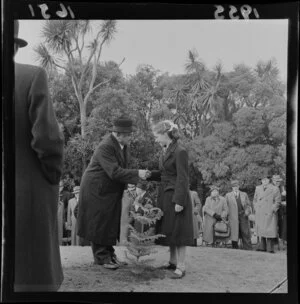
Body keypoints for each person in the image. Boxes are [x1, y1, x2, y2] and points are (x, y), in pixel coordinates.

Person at [14, 20, 64, 292]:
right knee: (30, 272)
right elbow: (47, 140)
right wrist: (51, 177)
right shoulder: (31, 76)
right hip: (25, 192)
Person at [77, 116, 149, 270]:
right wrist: (138, 173)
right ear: (118, 134)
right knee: (100, 222)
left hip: (108, 190)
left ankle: (109, 255)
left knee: (109, 222)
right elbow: (114, 171)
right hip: (96, 189)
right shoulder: (106, 146)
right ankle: (102, 258)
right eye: (128, 134)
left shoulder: (122, 146)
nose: (130, 136)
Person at [147, 120, 194, 279]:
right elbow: (163, 174)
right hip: (165, 195)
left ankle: (181, 266)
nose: (156, 140)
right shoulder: (165, 150)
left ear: (165, 134)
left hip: (176, 196)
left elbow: (183, 177)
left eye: (157, 136)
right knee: (171, 229)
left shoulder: (180, 151)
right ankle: (172, 261)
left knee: (179, 231)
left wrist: (180, 201)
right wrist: (147, 175)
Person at [253, 175, 281, 253]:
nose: (264, 181)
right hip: (260, 212)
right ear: (261, 180)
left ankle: (270, 248)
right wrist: (256, 208)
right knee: (261, 230)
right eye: (263, 179)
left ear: (269, 180)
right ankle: (262, 247)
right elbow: (254, 200)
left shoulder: (275, 188)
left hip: (269, 213)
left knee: (269, 231)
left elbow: (278, 201)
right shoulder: (257, 188)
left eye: (266, 179)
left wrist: (272, 210)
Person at [225, 180, 252, 250]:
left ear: (238, 186)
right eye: (234, 186)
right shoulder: (228, 195)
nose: (235, 188)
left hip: (243, 215)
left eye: (236, 186)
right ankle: (235, 247)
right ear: (232, 187)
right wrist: (226, 216)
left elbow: (248, 205)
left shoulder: (244, 194)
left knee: (245, 232)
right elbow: (226, 207)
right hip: (232, 216)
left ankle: (248, 248)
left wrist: (247, 211)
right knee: (234, 232)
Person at [272, 175, 287, 247]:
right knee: (274, 224)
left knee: (282, 224)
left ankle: (282, 240)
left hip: (282, 210)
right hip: (273, 209)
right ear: (273, 181)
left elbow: (285, 198)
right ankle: (274, 241)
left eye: (279, 181)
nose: (278, 182)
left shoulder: (282, 187)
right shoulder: (270, 188)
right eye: (277, 181)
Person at [58, 181, 65, 246]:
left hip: (62, 219)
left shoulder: (66, 194)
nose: (60, 187)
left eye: (61, 186)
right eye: (59, 186)